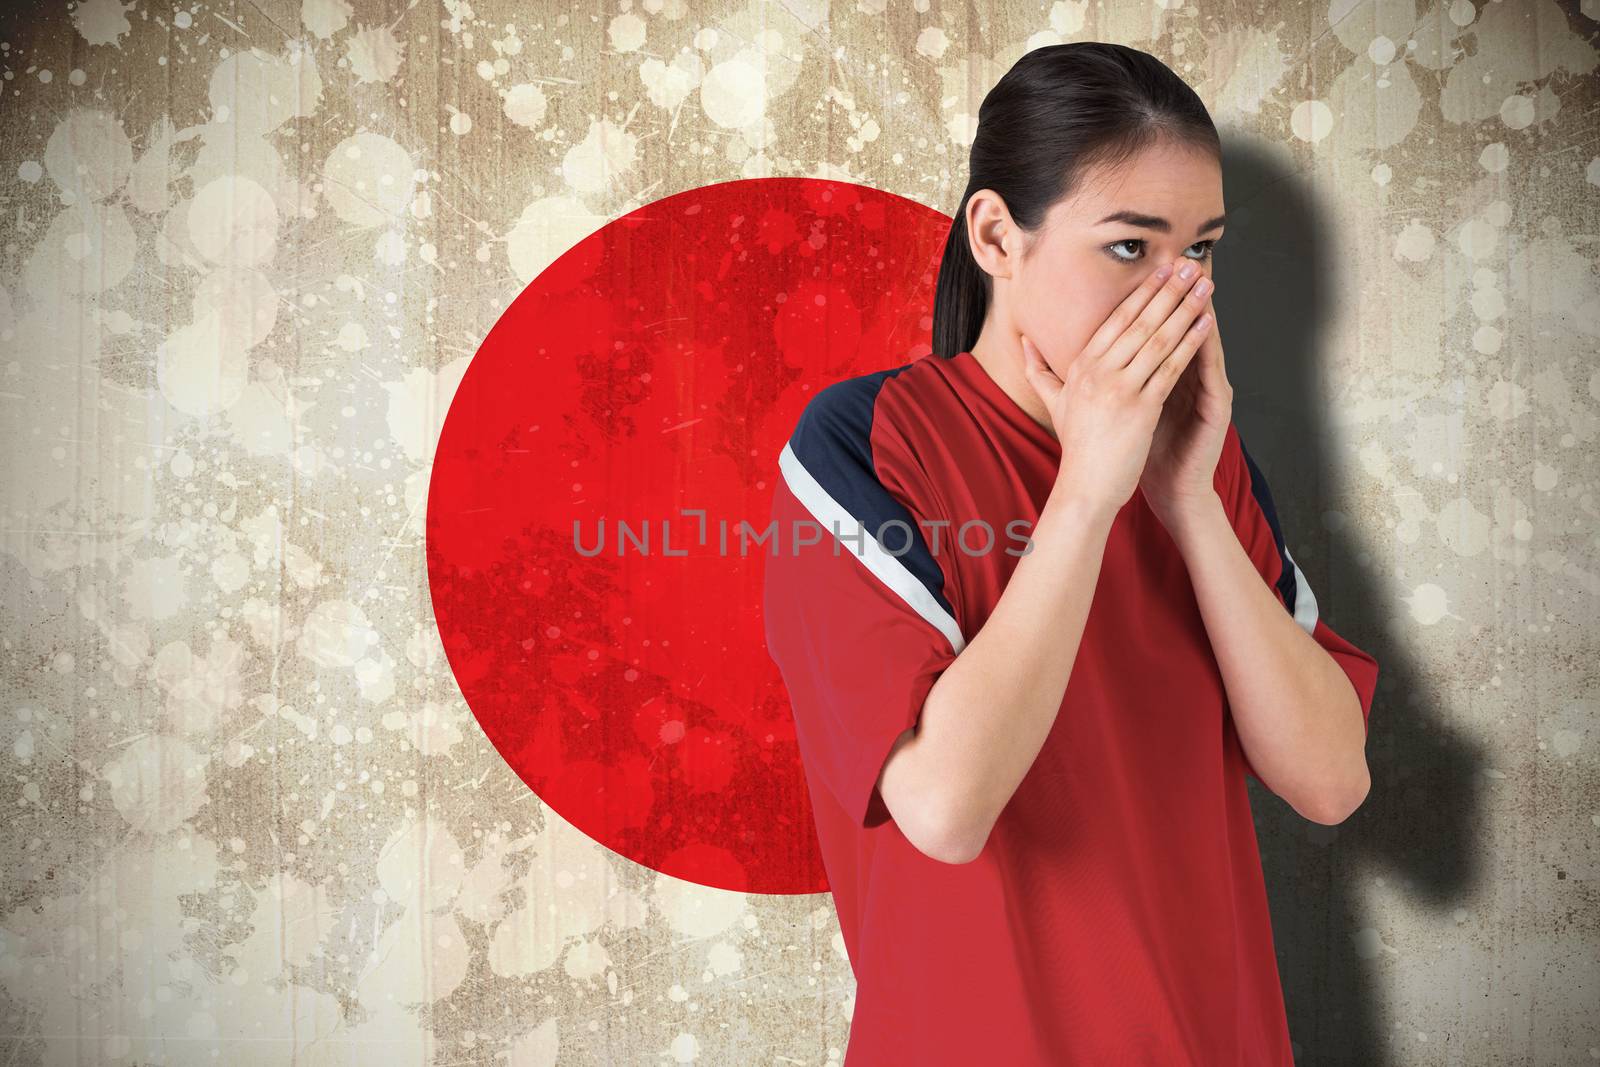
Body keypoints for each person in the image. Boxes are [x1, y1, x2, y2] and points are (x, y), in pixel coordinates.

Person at [761, 42, 1380, 1065]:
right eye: (1131, 248)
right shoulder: (864, 442)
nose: (1177, 295)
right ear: (998, 234)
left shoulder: (1204, 461)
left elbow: (1329, 781)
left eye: (1201, 251)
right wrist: (1088, 490)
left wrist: (1184, 495)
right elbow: (947, 806)